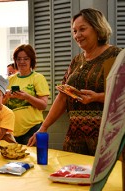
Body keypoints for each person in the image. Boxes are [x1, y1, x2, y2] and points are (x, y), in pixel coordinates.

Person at [27, 8, 122, 156]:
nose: (77, 35)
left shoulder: (115, 56)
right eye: (74, 31)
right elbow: (62, 97)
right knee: (71, 177)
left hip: (107, 138)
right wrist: (43, 128)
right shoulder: (77, 61)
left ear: (97, 28)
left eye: (82, 29)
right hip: (75, 139)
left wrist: (97, 97)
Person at [3, 44, 50, 145]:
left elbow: (43, 105)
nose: (22, 62)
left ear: (31, 60)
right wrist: (5, 98)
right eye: (18, 59)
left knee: (33, 160)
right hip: (11, 131)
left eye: (26, 59)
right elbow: (2, 107)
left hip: (33, 129)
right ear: (15, 60)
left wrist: (26, 97)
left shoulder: (38, 78)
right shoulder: (9, 80)